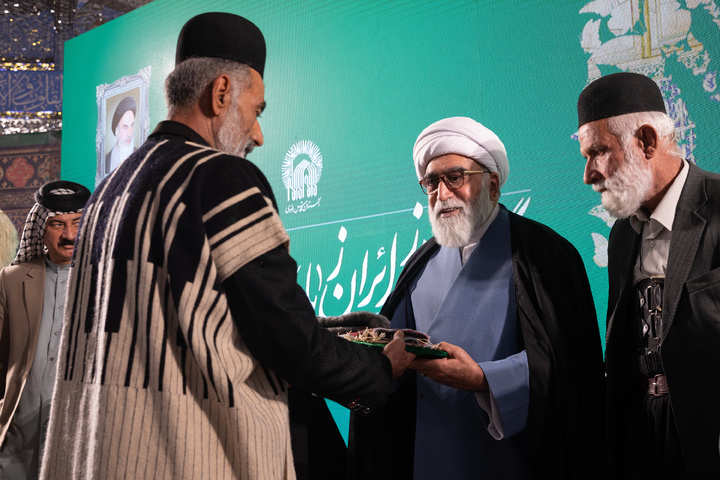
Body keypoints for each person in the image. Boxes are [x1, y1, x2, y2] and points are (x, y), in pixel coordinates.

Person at [39, 12, 413, 480]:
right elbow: (291, 344)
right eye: (256, 111)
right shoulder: (220, 178)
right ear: (220, 94)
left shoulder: (110, 189)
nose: (258, 135)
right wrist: (380, 368)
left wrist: (330, 328)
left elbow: (182, 318)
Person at [348, 117, 606, 480]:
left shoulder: (546, 256)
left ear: (494, 184)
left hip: (510, 459)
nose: (442, 193)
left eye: (455, 177)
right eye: (431, 182)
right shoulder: (419, 264)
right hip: (426, 458)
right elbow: (394, 353)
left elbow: (571, 372)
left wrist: (484, 379)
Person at [577, 71, 720, 478]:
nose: (588, 174)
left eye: (598, 152)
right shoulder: (623, 233)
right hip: (643, 437)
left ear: (646, 141)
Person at [0, 181, 90, 479]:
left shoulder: (105, 282)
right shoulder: (12, 280)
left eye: (78, 222)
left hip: (77, 435)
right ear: (40, 228)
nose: (69, 235)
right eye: (57, 224)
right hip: (16, 439)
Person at [105, 95, 136, 174]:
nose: (129, 133)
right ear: (116, 131)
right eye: (125, 127)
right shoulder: (105, 161)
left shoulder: (140, 155)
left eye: (132, 125)